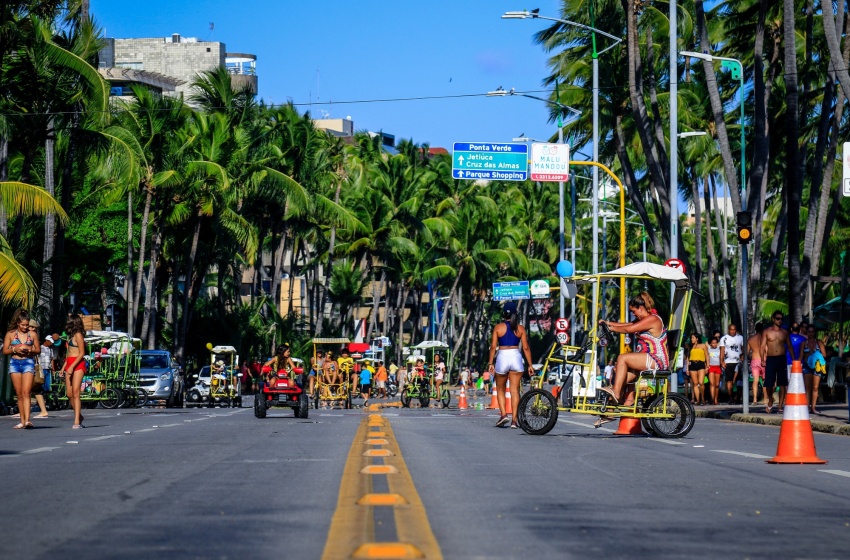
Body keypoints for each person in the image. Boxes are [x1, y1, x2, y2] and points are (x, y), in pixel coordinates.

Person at [598, 292, 668, 425]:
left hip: (657, 359)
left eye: (634, 311)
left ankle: (617, 394)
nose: (633, 314)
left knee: (622, 358)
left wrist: (610, 328)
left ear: (641, 308)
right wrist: (607, 323)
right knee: (619, 374)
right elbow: (626, 324)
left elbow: (630, 328)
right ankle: (613, 410)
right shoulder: (643, 319)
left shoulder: (653, 319)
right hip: (647, 359)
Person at [487, 301, 535, 428]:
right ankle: (514, 420)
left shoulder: (498, 328)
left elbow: (493, 347)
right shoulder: (520, 328)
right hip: (516, 357)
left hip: (502, 355)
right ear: (516, 314)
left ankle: (503, 415)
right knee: (514, 390)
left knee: (500, 389)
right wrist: (530, 365)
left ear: (504, 314)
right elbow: (525, 348)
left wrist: (490, 362)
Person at [3, 309, 41, 429]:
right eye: (23, 325)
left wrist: (29, 349)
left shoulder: (32, 334)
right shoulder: (10, 334)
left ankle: (28, 420)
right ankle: (22, 420)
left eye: (27, 325)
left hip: (28, 362)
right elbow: (5, 350)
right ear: (18, 323)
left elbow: (38, 350)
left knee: (26, 392)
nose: (25, 327)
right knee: (19, 393)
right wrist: (15, 349)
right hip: (15, 363)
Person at [762, 312, 794, 414]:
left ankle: (780, 405)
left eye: (781, 319)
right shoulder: (767, 331)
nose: (779, 321)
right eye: (777, 318)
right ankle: (770, 400)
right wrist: (763, 358)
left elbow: (789, 346)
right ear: (773, 319)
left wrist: (794, 359)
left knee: (782, 383)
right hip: (771, 358)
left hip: (781, 358)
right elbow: (762, 346)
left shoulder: (784, 332)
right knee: (769, 384)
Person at [61, 314, 87, 428]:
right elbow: (69, 354)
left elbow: (81, 353)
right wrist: (63, 368)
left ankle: (76, 420)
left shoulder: (78, 335)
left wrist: (72, 367)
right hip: (69, 362)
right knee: (69, 394)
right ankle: (79, 414)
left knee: (76, 392)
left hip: (78, 364)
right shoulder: (70, 336)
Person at [33, 323, 60, 418]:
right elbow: (36, 358)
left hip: (48, 369)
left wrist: (53, 369)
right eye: (51, 342)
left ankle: (47, 401)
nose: (52, 343)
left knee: (48, 387)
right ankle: (39, 403)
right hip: (41, 369)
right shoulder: (40, 348)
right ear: (47, 340)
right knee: (41, 386)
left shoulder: (51, 350)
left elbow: (52, 359)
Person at [802, 326, 827, 414]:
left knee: (815, 387)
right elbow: (801, 356)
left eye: (812, 331)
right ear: (807, 332)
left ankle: (813, 407)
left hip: (817, 366)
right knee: (807, 387)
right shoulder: (804, 343)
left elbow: (824, 355)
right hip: (807, 366)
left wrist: (816, 354)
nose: (811, 333)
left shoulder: (819, 342)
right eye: (809, 331)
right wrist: (807, 354)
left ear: (814, 332)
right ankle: (807, 407)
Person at [719, 323, 745, 404]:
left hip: (738, 362)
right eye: (731, 329)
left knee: (739, 381)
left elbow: (744, 348)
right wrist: (721, 361)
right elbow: (722, 351)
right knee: (729, 381)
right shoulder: (724, 338)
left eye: (734, 330)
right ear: (728, 330)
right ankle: (730, 397)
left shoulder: (740, 338)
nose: (733, 331)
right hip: (728, 362)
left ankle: (738, 397)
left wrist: (743, 356)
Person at [686, 333, 709, 406]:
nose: (691, 339)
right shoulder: (690, 346)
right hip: (692, 364)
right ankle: (698, 400)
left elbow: (707, 356)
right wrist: (687, 368)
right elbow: (688, 358)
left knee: (701, 382)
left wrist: (707, 366)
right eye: (691, 338)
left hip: (701, 364)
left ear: (697, 338)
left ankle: (702, 398)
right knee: (695, 383)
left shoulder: (703, 346)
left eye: (693, 338)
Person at [747, 323, 765, 406]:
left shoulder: (751, 339)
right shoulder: (765, 338)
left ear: (755, 329)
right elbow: (767, 350)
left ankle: (755, 399)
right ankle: (766, 398)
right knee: (765, 380)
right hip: (764, 360)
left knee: (755, 381)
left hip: (754, 360)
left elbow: (747, 352)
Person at [706, 338, 722, 405]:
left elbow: (720, 343)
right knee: (712, 384)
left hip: (718, 367)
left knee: (717, 385)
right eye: (713, 343)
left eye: (715, 343)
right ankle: (712, 399)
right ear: (710, 344)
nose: (714, 344)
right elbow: (706, 343)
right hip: (711, 367)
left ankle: (716, 399)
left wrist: (717, 341)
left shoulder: (719, 348)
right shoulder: (708, 349)